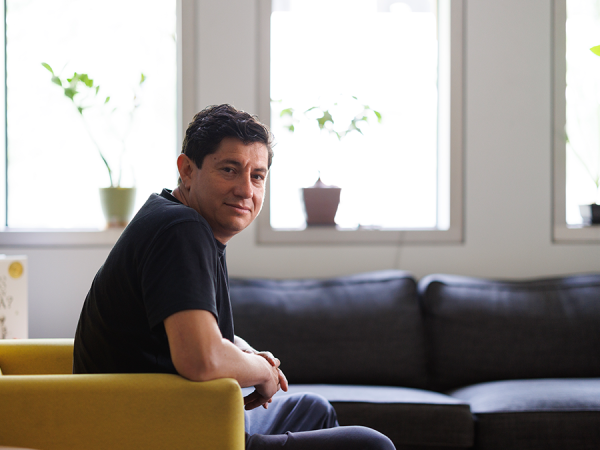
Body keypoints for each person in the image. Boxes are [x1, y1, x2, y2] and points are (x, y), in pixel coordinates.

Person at [73, 104, 395, 450]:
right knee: (371, 445)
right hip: (161, 434)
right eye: (229, 170)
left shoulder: (175, 220)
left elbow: (185, 329)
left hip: (180, 416)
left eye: (257, 176)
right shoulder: (181, 230)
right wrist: (261, 371)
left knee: (312, 408)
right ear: (187, 170)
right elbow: (200, 357)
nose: (246, 190)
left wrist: (249, 353)